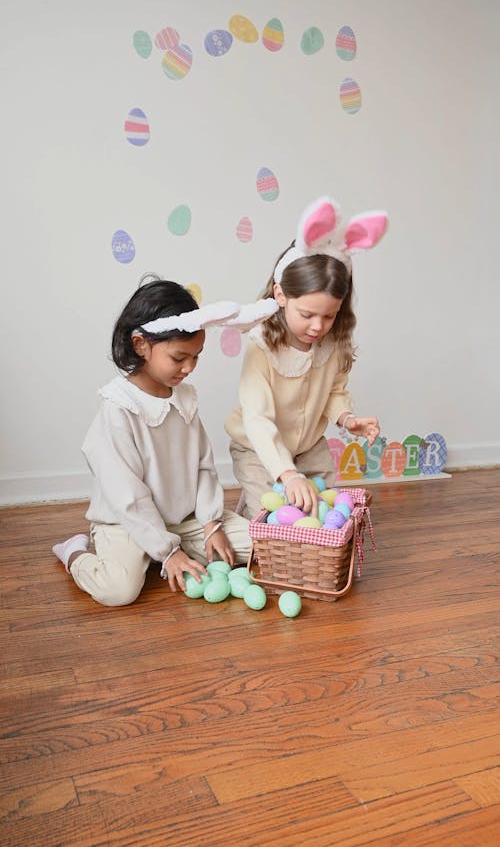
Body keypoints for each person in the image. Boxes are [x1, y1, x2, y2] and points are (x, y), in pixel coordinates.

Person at [52, 277, 277, 606]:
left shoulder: (184, 399)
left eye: (196, 357)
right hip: (126, 523)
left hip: (185, 519)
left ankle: (176, 548)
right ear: (141, 344)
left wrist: (212, 523)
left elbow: (203, 467)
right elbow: (127, 497)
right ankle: (75, 553)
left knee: (258, 545)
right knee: (118, 590)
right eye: (178, 357)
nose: (189, 368)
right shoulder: (118, 408)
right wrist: (167, 551)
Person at [225, 196, 388, 520]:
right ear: (281, 295)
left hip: (310, 447)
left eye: (329, 316)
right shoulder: (262, 346)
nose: (318, 326)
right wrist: (287, 473)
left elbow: (333, 391)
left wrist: (346, 418)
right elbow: (258, 419)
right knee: (273, 513)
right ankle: (251, 516)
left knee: (323, 508)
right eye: (307, 314)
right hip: (260, 448)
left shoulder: (332, 342)